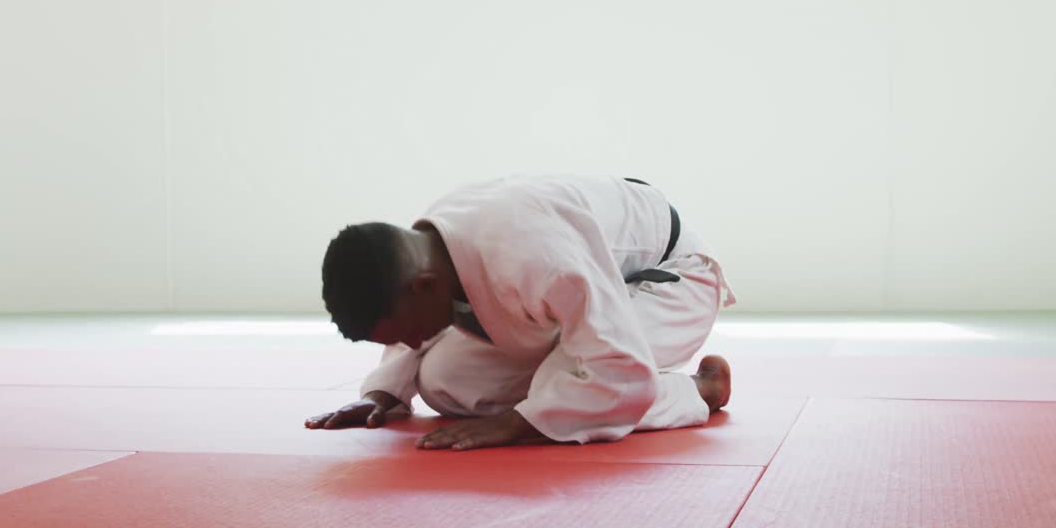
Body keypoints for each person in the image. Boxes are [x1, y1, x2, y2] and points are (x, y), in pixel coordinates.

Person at [306, 174, 736, 451]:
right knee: (444, 383)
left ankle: (698, 391)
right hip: (589, 290)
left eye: (409, 332)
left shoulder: (535, 255)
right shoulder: (429, 250)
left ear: (424, 286)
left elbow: (617, 361)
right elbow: (406, 327)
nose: (413, 342)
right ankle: (558, 398)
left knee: (584, 386)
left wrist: (517, 424)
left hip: (669, 281)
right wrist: (381, 394)